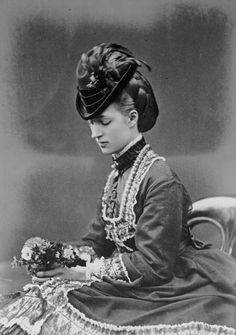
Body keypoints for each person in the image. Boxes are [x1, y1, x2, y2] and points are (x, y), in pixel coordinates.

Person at [0, 42, 236, 335]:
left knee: (69, 307)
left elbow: (153, 267)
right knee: (47, 295)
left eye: (103, 121)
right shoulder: (116, 177)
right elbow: (97, 243)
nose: (94, 133)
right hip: (135, 282)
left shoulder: (160, 180)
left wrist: (83, 272)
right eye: (91, 122)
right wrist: (55, 254)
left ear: (132, 118)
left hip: (169, 287)